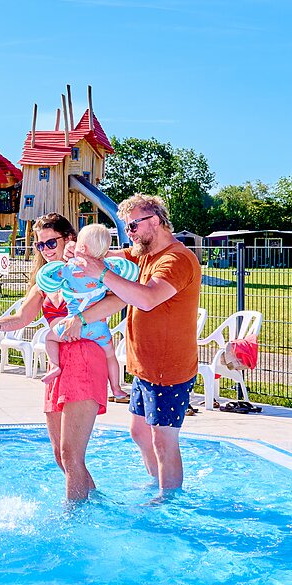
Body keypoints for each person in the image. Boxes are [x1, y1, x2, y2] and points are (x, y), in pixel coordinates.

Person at [72, 194, 202, 492]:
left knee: (162, 439)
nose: (128, 233)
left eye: (132, 226)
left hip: (169, 370)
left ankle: (170, 499)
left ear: (155, 221)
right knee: (139, 432)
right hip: (145, 368)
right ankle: (159, 483)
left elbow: (147, 299)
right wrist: (82, 255)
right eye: (125, 226)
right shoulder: (144, 254)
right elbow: (115, 256)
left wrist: (101, 273)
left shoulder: (176, 260)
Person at [0, 214, 109, 501]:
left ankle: (74, 521)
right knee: (60, 455)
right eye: (40, 245)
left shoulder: (85, 272)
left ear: (70, 239)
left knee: (70, 455)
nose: (46, 250)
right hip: (58, 363)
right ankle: (96, 506)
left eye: (51, 242)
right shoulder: (45, 282)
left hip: (84, 357)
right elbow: (21, 318)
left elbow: (114, 292)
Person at [38, 223, 135, 400]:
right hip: (99, 328)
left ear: (80, 247)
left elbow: (48, 278)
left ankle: (54, 365)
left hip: (71, 325)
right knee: (110, 355)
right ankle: (116, 388)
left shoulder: (70, 268)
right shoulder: (107, 269)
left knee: (49, 337)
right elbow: (128, 271)